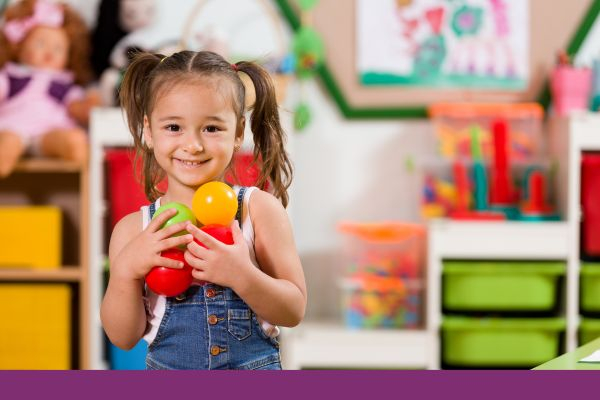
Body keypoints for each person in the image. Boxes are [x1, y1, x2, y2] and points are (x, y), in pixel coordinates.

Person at [100, 50, 306, 370]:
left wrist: (243, 275)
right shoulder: (132, 230)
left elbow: (293, 310)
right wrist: (126, 272)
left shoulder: (259, 211)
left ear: (238, 132)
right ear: (149, 131)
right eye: (173, 127)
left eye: (211, 128)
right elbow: (123, 337)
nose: (193, 144)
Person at [0, 0, 98, 178]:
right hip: (14, 128)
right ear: (19, 47)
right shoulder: (11, 76)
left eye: (58, 48)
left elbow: (75, 105)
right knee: (7, 145)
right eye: (40, 44)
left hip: (49, 133)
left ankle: (74, 150)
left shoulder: (64, 84)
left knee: (75, 141)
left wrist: (87, 107)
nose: (49, 53)